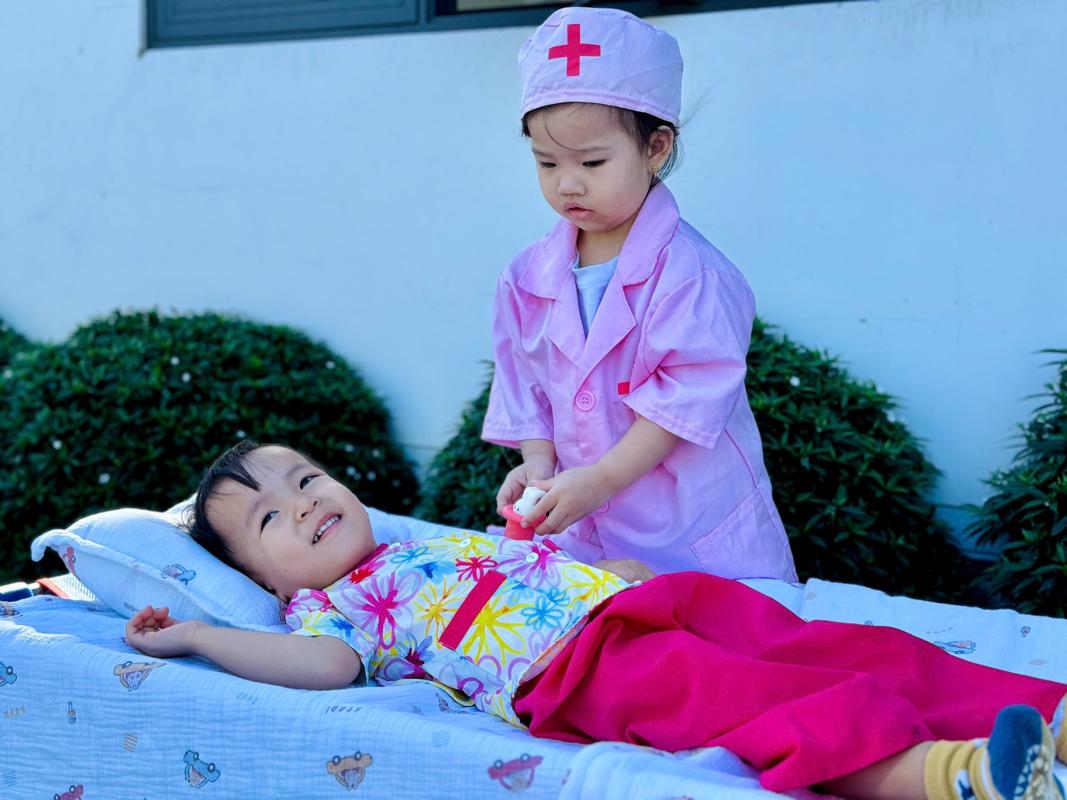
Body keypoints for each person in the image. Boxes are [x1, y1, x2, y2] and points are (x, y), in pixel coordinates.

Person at [127, 441, 1067, 800]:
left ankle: (1045, 714)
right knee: (767, 704)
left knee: (839, 649)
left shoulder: (415, 544)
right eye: (270, 518)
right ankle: (961, 778)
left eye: (306, 477)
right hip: (582, 672)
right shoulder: (324, 610)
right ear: (259, 577)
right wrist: (200, 637)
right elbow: (325, 669)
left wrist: (599, 573)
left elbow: (525, 565)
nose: (302, 502)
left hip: (645, 605)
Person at [482, 7, 795, 580]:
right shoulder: (526, 276)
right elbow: (524, 381)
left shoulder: (695, 276)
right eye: (546, 163)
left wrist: (601, 480)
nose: (567, 183)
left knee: (703, 632)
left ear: (656, 148)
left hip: (690, 532)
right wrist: (538, 464)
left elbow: (685, 401)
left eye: (592, 162)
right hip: (584, 530)